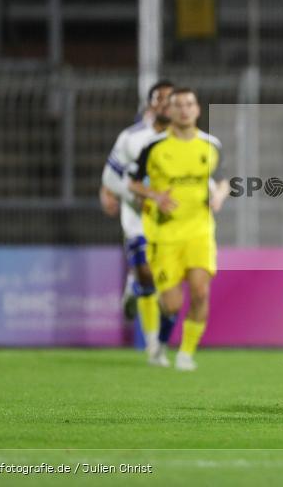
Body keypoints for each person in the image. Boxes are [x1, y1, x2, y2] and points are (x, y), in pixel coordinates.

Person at [128, 87, 230, 371]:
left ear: (197, 109)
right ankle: (160, 343)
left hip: (199, 231)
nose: (184, 110)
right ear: (169, 111)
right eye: (178, 105)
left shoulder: (210, 145)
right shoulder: (154, 146)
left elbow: (223, 180)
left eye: (189, 104)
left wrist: (219, 196)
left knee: (200, 293)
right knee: (172, 305)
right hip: (164, 234)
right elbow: (132, 183)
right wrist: (154, 196)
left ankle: (186, 354)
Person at [99, 80, 177, 366]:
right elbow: (110, 177)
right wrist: (130, 195)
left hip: (170, 218)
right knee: (145, 269)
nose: (166, 104)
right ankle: (153, 345)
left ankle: (134, 287)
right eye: (160, 99)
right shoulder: (131, 138)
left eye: (171, 99)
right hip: (137, 214)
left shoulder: (185, 139)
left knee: (163, 281)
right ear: (150, 104)